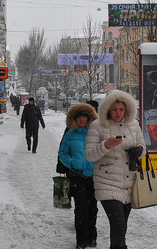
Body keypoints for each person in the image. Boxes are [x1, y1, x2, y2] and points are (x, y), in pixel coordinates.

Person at [85, 90, 146, 249]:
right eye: (114, 109)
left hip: (128, 182)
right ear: (107, 109)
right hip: (107, 181)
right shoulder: (97, 126)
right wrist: (106, 145)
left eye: (121, 109)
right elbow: (90, 155)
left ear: (127, 109)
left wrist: (139, 151)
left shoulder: (133, 124)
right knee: (118, 223)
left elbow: (143, 146)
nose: (118, 113)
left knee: (122, 225)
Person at [58, 103, 99, 249]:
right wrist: (72, 162)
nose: (82, 119)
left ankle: (92, 237)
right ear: (75, 118)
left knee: (93, 208)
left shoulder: (95, 133)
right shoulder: (70, 134)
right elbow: (62, 153)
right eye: (79, 116)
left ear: (89, 118)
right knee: (81, 209)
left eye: (84, 116)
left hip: (94, 177)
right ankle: (81, 241)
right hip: (77, 176)